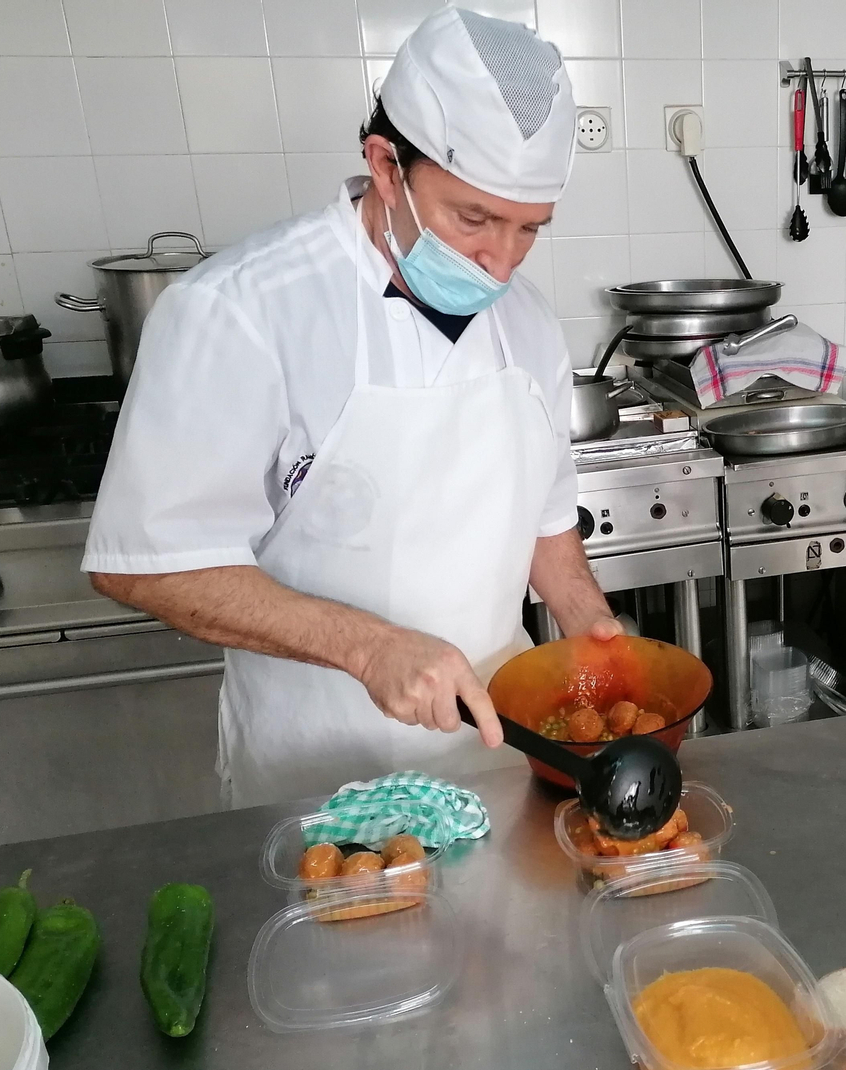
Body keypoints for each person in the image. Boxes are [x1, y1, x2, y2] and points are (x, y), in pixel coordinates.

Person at [82, 8, 617, 807]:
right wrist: (369, 650)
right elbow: (150, 566)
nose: (501, 261)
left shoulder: (529, 323)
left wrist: (590, 622)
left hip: (501, 761)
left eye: (529, 229)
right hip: (320, 780)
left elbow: (545, 519)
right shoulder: (239, 311)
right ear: (386, 166)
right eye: (473, 218)